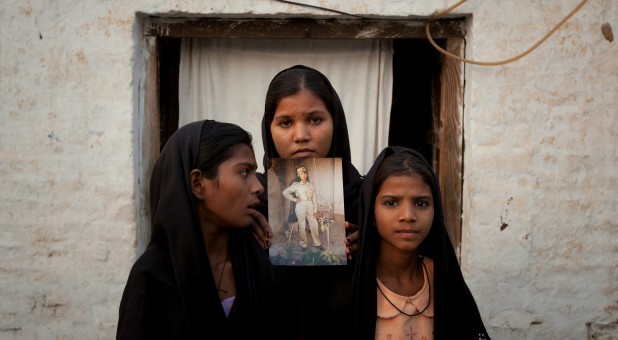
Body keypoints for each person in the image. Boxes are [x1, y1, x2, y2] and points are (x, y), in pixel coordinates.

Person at [116, 120, 294, 339]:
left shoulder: (259, 261)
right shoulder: (152, 277)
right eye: (244, 172)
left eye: (255, 172)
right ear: (198, 183)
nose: (258, 186)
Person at [335, 146, 490, 339]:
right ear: (371, 213)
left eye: (421, 203)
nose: (408, 216)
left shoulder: (442, 278)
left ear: (436, 211)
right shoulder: (348, 288)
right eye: (391, 203)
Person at [256, 65, 364, 339]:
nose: (301, 135)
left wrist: (371, 246)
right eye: (285, 122)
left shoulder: (364, 197)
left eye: (315, 120)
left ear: (335, 122)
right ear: (269, 129)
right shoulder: (250, 200)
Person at [282, 165, 323, 251]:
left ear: (306, 174)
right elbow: (285, 192)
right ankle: (303, 245)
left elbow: (314, 198)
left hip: (310, 205)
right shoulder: (296, 185)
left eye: (305, 173)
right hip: (300, 205)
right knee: (302, 224)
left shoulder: (311, 186)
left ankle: (317, 244)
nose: (304, 175)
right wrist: (294, 199)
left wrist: (315, 209)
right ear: (299, 175)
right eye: (301, 173)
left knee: (314, 224)